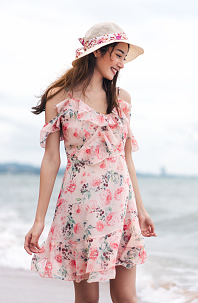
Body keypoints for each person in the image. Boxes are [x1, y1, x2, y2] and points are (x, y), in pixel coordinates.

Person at [24, 21, 156, 303]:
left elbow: (126, 157)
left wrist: (141, 210)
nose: (121, 63)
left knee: (125, 296)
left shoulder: (122, 100)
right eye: (118, 54)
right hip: (80, 208)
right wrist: (39, 221)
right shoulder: (59, 99)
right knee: (87, 300)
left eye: (124, 56)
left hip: (121, 206)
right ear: (97, 51)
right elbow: (50, 160)